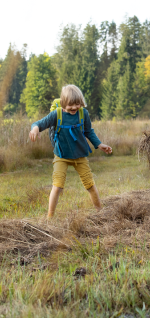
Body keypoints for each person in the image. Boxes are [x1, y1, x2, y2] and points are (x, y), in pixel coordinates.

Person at [29, 84, 112, 219]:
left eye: (77, 104)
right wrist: (34, 129)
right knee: (57, 186)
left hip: (80, 155)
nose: (74, 108)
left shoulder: (83, 113)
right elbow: (39, 123)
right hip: (61, 155)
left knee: (90, 184)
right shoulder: (56, 114)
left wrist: (99, 144)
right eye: (70, 105)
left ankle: (100, 213)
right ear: (63, 104)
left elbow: (88, 131)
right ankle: (50, 218)